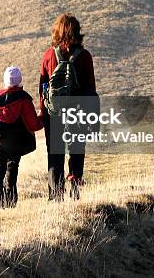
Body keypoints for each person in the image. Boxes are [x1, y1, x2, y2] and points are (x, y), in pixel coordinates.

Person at [39, 13, 97, 201]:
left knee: (55, 154)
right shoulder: (85, 56)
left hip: (54, 114)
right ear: (78, 32)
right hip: (77, 112)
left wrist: (43, 112)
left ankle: (56, 195)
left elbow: (42, 87)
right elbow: (90, 88)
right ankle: (75, 188)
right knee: (77, 149)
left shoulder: (49, 55)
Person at [0, 66, 42, 209]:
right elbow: (34, 125)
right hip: (17, 146)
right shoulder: (25, 99)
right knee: (12, 170)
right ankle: (11, 201)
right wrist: (42, 116)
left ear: (5, 81)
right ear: (20, 81)